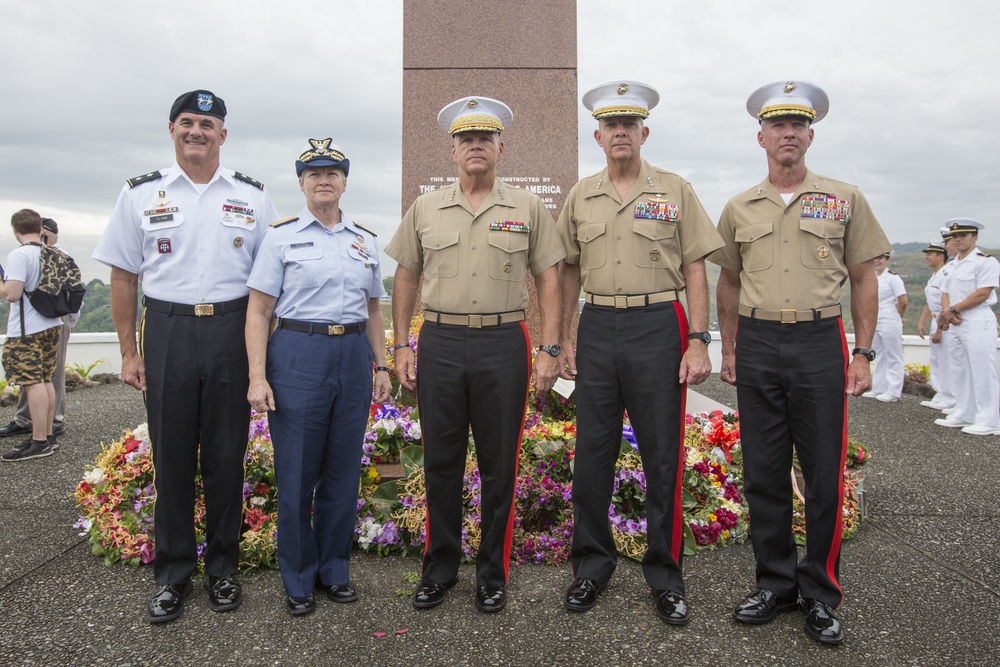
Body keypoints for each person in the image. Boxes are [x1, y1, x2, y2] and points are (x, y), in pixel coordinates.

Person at [712, 81, 890, 645]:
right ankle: (775, 584)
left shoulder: (844, 197)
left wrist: (861, 353)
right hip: (760, 342)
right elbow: (729, 280)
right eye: (777, 126)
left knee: (822, 474)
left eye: (798, 125)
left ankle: (820, 593)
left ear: (810, 135)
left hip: (819, 340)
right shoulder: (740, 206)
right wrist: (733, 348)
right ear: (760, 136)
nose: (788, 134)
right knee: (763, 472)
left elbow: (864, 276)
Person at [92, 90, 278, 623]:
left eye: (208, 123)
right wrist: (129, 351)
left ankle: (222, 570)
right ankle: (174, 575)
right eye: (188, 122)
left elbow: (269, 284)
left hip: (232, 331)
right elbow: (124, 277)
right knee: (171, 459)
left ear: (224, 135)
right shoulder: (139, 195)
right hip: (168, 330)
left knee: (226, 457)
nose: (197, 131)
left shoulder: (253, 197)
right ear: (171, 129)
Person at [385, 96, 565, 613]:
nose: (476, 147)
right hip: (439, 342)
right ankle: (439, 568)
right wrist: (401, 343)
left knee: (498, 465)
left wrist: (550, 347)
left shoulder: (526, 207)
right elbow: (406, 275)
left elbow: (548, 276)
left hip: (503, 342)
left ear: (501, 148)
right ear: (454, 151)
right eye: (466, 140)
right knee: (441, 463)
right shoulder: (426, 208)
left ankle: (492, 573)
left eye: (485, 139)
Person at [555, 80, 722, 626]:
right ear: (598, 135)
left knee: (662, 457)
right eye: (612, 125)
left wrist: (699, 339)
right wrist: (565, 338)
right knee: (591, 456)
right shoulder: (581, 194)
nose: (621, 132)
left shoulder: (675, 189)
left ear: (644, 132)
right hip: (598, 324)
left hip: (659, 325)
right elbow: (569, 270)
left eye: (630, 124)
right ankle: (590, 568)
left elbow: (696, 266)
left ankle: (666, 577)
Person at [245, 139, 392, 616]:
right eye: (314, 174)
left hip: (351, 355)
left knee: (342, 472)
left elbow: (373, 310)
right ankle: (299, 577)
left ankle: (334, 570)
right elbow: (259, 310)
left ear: (345, 182)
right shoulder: (281, 237)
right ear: (302, 184)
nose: (323, 180)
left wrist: (382, 363)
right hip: (297, 353)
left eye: (332, 172)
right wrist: (258, 376)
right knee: (297, 472)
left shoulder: (364, 240)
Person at [0, 218, 76, 443]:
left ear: (15, 229)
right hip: (53, 323)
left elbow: (12, 294)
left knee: (33, 382)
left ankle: (39, 439)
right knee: (45, 379)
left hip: (28, 327)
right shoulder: (56, 254)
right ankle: (48, 432)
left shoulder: (20, 255)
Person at [934, 218, 1000, 435]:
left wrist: (952, 310)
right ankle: (965, 412)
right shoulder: (952, 265)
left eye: (963, 235)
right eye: (955, 236)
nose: (958, 239)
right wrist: (946, 312)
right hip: (955, 321)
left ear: (975, 237)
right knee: (959, 368)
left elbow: (983, 293)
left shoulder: (985, 261)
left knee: (981, 369)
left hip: (976, 319)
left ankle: (989, 419)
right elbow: (945, 291)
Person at [917, 234, 956, 410]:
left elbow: (947, 303)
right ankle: (941, 394)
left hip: (945, 322)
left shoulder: (946, 275)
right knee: (937, 360)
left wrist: (940, 328)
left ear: (941, 255)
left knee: (947, 360)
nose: (927, 257)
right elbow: (930, 302)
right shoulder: (935, 276)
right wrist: (921, 321)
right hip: (935, 319)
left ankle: (950, 397)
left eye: (930, 253)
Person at [864, 252, 906, 402]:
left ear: (887, 260)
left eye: (881, 258)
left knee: (893, 354)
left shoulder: (893, 278)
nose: (877, 261)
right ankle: (879, 387)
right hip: (875, 317)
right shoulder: (873, 277)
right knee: (879, 353)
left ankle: (894, 391)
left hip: (889, 316)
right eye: (874, 257)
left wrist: (899, 316)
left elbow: (903, 301)